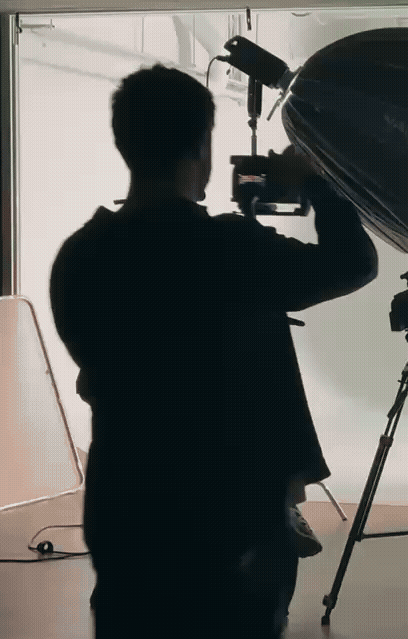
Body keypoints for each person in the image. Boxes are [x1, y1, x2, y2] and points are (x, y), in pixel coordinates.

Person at [48, 64, 378, 639]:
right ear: (201, 147)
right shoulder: (232, 250)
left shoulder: (80, 257)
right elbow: (353, 262)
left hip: (125, 511)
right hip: (230, 524)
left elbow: (96, 364)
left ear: (125, 143)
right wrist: (315, 184)